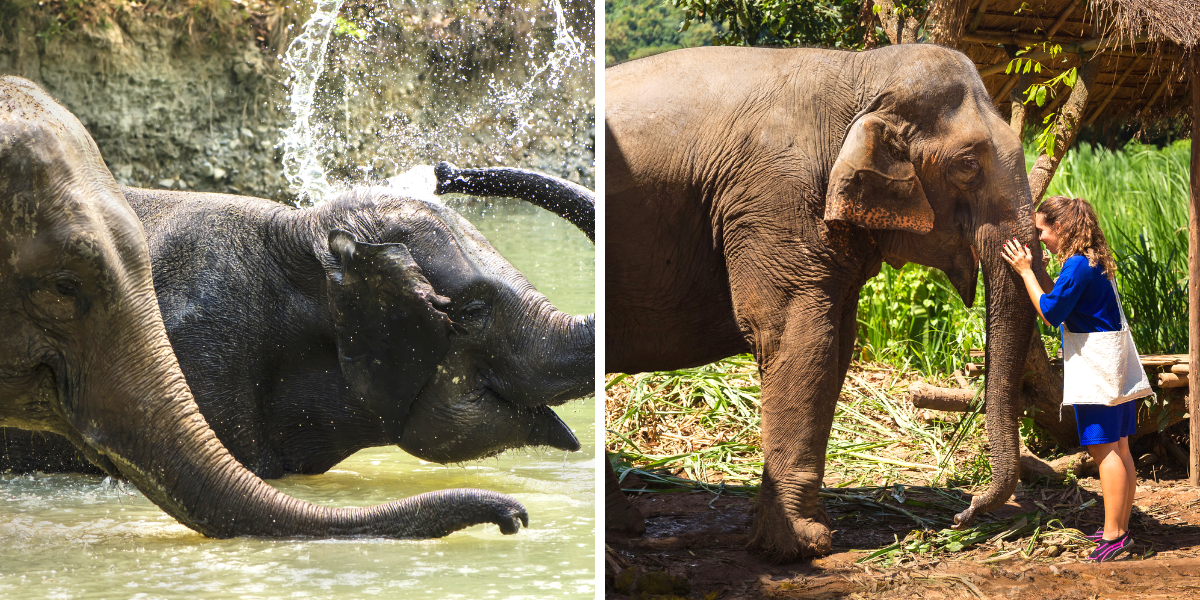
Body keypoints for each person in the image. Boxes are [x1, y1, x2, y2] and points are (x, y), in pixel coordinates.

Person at [1001, 195, 1152, 563]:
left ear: (1062, 228)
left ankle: (1116, 537)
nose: (1039, 240)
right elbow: (1066, 300)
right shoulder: (1093, 261)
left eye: (1042, 232)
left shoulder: (1076, 267)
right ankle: (1120, 526)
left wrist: (1025, 271)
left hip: (1098, 365)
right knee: (1120, 446)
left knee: (1104, 450)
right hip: (1116, 361)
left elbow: (1051, 312)